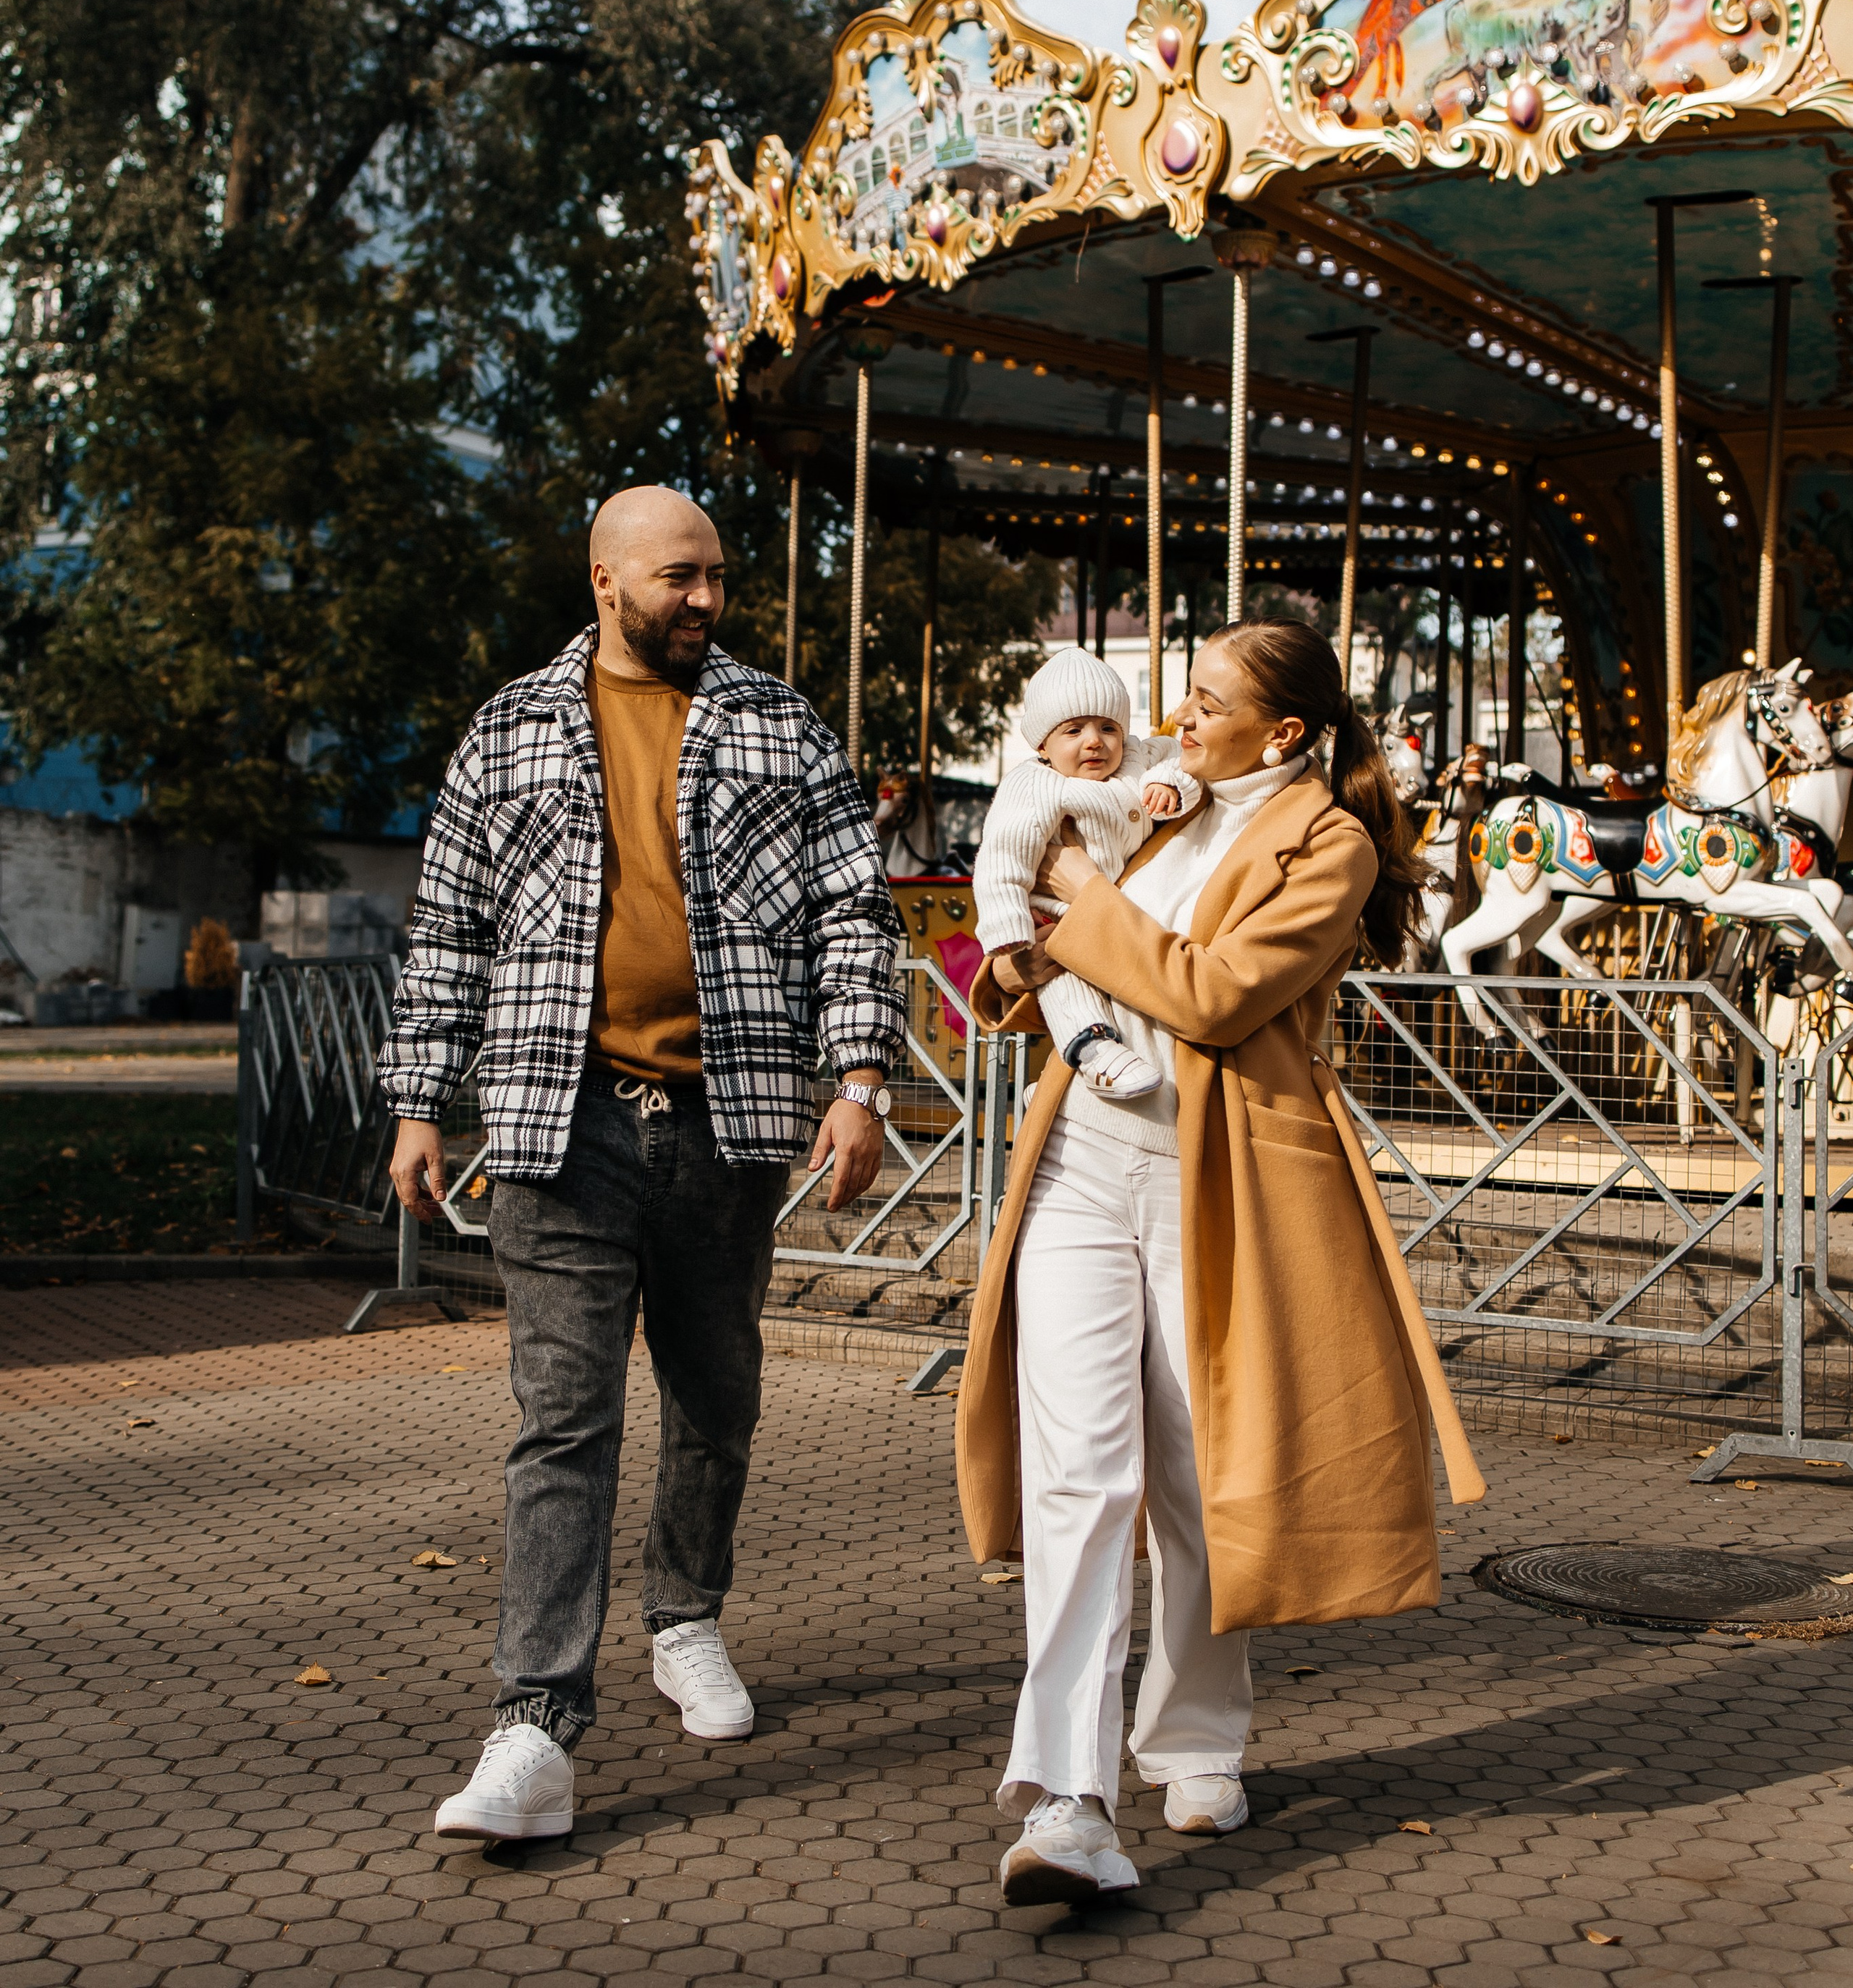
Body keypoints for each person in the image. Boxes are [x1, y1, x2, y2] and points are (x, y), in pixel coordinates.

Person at [378, 486, 903, 1845]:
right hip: (560, 1125)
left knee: (716, 1395)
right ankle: (535, 1724)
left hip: (728, 1118)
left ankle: (686, 1616)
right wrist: (420, 1101)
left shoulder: (779, 723)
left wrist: (858, 1077)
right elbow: (449, 929)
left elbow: (854, 912)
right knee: (564, 1418)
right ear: (605, 579)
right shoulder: (509, 727)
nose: (707, 598)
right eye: (680, 577)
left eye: (716, 575)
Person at [955, 618, 1486, 1908]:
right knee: (1081, 1477)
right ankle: (1071, 1801)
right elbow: (1047, 931)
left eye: (1206, 701)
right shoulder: (1151, 803)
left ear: (1283, 731)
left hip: (1224, 1175)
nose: (1177, 718)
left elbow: (1215, 997)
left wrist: (1077, 895)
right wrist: (1019, 952)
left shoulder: (1329, 843)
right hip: (1080, 1160)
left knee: (1201, 1476)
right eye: (1182, 696)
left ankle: (1194, 1735)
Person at [972, 649, 1199, 1099]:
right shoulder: (1033, 784)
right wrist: (1007, 928)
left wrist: (1171, 784)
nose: (1095, 741)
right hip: (1057, 912)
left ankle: (1065, 1085)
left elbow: (1181, 756)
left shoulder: (1140, 758)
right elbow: (1001, 857)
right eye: (1074, 730)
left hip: (1121, 912)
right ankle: (1090, 1051)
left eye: (1108, 728)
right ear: (1043, 745)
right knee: (1064, 974)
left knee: (1123, 985)